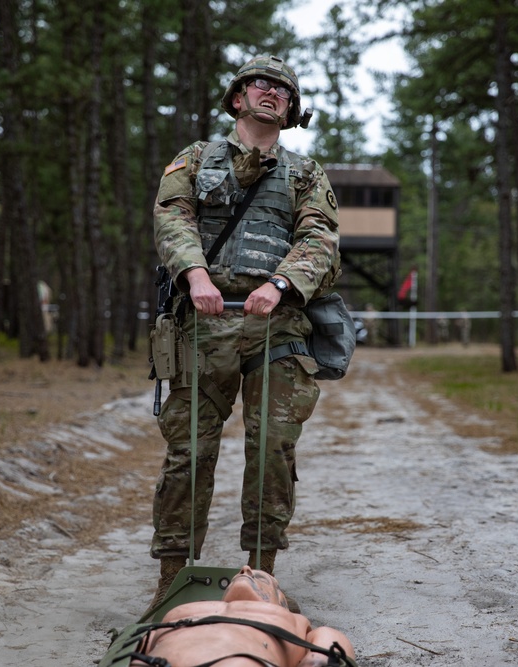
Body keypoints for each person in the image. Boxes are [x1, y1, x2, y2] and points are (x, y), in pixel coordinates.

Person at [148, 54, 340, 611]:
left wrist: (280, 284)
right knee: (187, 453)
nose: (272, 92)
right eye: (262, 84)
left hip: (274, 329)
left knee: (272, 453)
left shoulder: (305, 174)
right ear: (238, 98)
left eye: (283, 89)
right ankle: (170, 580)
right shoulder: (195, 159)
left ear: (291, 107)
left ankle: (259, 576)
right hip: (202, 327)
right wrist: (195, 274)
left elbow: (320, 239)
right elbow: (171, 217)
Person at [128, 567, 356, 667]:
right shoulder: (188, 609)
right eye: (241, 573)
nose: (245, 568)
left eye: (262, 579)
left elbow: (331, 646)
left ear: (280, 602)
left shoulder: (291, 621)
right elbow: (136, 642)